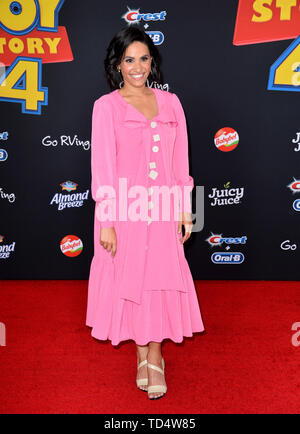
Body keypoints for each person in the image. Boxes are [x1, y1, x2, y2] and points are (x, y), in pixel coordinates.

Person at [86, 25, 204, 400]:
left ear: (153, 62)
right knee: (131, 284)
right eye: (129, 60)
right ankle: (141, 355)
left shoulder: (172, 104)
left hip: (166, 210)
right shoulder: (105, 108)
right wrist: (106, 221)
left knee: (160, 283)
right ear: (118, 65)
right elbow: (102, 167)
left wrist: (188, 211)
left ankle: (156, 356)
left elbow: (181, 161)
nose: (137, 67)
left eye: (144, 59)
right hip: (124, 211)